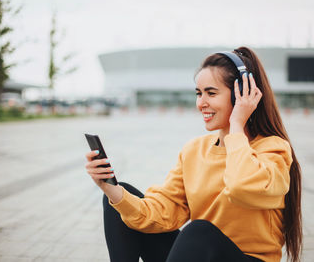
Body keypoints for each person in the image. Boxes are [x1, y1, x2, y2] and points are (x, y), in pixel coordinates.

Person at [85, 46, 302, 262]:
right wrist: (111, 190)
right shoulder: (194, 151)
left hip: (249, 258)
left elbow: (241, 186)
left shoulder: (274, 148)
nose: (201, 103)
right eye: (199, 93)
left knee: (198, 232)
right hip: (201, 255)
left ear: (241, 95)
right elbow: (163, 211)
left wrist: (237, 123)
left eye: (211, 93)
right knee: (119, 200)